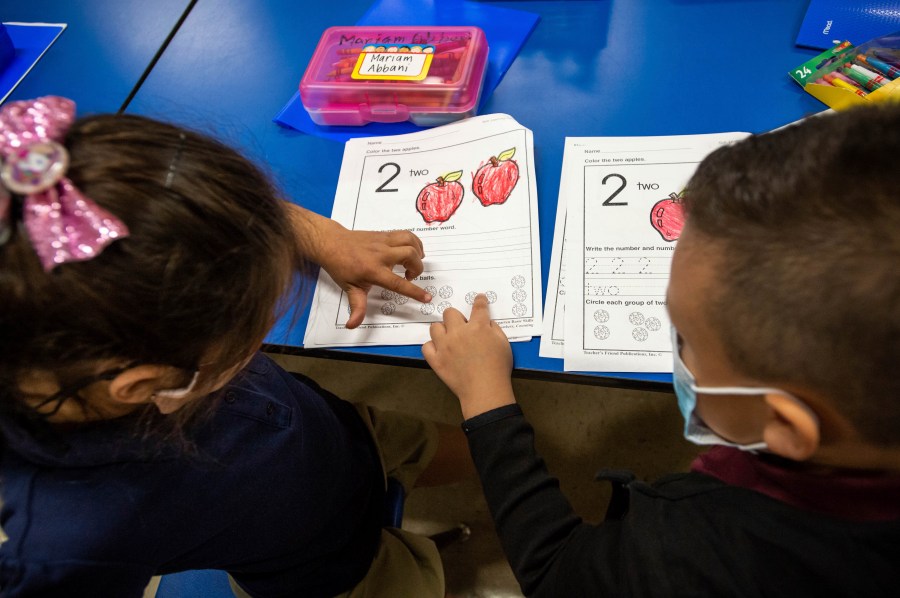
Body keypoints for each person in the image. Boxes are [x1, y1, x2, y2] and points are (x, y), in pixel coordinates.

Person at [423, 104, 900, 597]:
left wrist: (486, 399)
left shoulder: (698, 553)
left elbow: (554, 572)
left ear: (784, 425)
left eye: (686, 338)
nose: (677, 349)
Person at [0, 96, 457, 597]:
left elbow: (190, 221)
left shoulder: (88, 297)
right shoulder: (70, 542)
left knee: (450, 446)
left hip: (338, 433)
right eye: (252, 331)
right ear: (144, 384)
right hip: (323, 570)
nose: (260, 336)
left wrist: (324, 236)